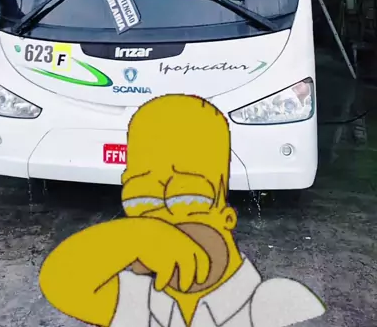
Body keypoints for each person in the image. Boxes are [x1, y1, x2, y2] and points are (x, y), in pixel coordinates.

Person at [40, 94, 326, 327]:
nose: (163, 222)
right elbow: (62, 282)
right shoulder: (134, 296)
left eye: (187, 198)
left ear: (227, 216)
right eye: (141, 202)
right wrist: (133, 238)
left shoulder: (273, 303)